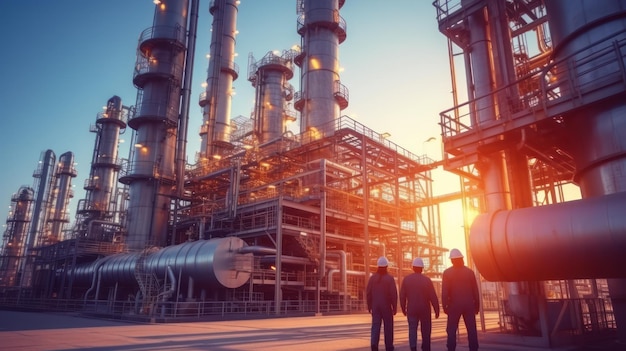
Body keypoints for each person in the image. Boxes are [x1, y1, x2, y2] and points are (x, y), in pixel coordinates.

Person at [441, 248, 480, 351]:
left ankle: (451, 348)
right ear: (462, 258)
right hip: (469, 305)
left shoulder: (447, 273)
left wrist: (445, 306)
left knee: (451, 329)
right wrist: (477, 306)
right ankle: (473, 348)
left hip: (454, 305)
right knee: (471, 329)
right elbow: (475, 291)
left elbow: (445, 291)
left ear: (452, 260)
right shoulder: (470, 272)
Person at [399, 257, 440, 351]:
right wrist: (436, 310)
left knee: (412, 330)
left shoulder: (407, 279)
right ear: (422, 268)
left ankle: (413, 348)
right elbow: (433, 296)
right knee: (426, 330)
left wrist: (403, 308)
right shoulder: (427, 280)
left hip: (412, 309)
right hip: (425, 309)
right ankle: (426, 347)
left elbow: (402, 296)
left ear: (413, 267)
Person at [366, 256, 398, 351]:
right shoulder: (390, 278)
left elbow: (368, 293)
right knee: (388, 326)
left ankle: (374, 344)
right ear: (386, 266)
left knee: (375, 325)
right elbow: (394, 294)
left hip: (375, 306)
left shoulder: (372, 278)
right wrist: (395, 307)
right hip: (386, 306)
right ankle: (389, 346)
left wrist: (369, 306)